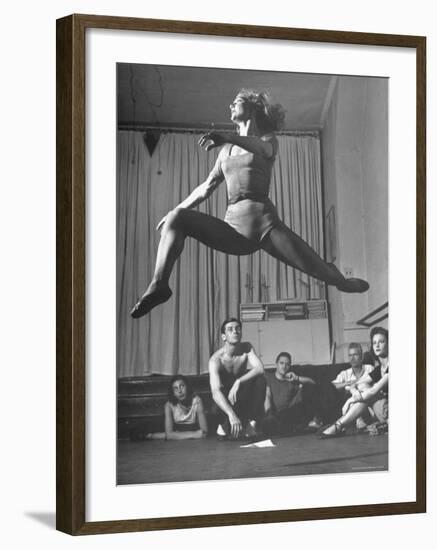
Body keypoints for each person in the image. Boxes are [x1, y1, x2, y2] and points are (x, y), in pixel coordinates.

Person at [131, 89, 369, 318]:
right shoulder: (226, 150)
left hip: (267, 226)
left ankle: (342, 282)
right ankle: (159, 285)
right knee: (177, 217)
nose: (230, 105)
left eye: (236, 100)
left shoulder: (267, 140)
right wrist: (175, 210)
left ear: (253, 108)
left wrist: (228, 137)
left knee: (318, 268)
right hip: (234, 231)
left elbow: (262, 149)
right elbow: (206, 187)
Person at [319, 327, 389, 438]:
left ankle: (338, 425)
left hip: (387, 410)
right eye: (374, 342)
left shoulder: (383, 368)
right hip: (377, 410)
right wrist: (352, 388)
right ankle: (339, 425)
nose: (377, 345)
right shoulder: (378, 369)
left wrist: (349, 401)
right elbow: (357, 384)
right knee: (363, 391)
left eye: (381, 342)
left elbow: (372, 391)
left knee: (366, 392)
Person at [208, 317, 266, 441]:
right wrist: (231, 415)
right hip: (224, 401)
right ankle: (223, 425)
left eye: (237, 328)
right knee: (215, 406)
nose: (235, 331)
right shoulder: (216, 360)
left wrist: (238, 382)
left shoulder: (247, 348)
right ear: (224, 336)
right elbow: (216, 392)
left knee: (260, 380)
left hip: (240, 396)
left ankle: (251, 424)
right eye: (230, 329)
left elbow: (260, 369)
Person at [262, 352, 324, 436]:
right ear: (276, 364)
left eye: (287, 364)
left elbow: (313, 383)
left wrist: (297, 378)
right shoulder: (269, 377)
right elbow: (267, 395)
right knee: (272, 422)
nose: (284, 366)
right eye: (281, 363)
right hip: (275, 414)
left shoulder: (291, 380)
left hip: (290, 413)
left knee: (308, 388)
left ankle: (309, 422)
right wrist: (268, 413)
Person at [131, 375, 208, 441]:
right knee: (151, 434)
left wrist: (177, 435)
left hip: (181, 436)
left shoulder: (197, 401)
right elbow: (169, 436)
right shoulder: (168, 405)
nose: (180, 391)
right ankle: (147, 435)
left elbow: (204, 432)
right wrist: (194, 434)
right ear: (173, 393)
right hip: (173, 434)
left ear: (187, 387)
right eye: (176, 388)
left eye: (182, 386)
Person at [331, 342, 376, 429]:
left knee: (364, 387)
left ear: (361, 357)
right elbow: (332, 386)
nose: (352, 358)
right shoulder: (345, 373)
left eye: (355, 355)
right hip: (353, 409)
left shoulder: (369, 368)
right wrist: (348, 383)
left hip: (370, 408)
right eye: (350, 355)